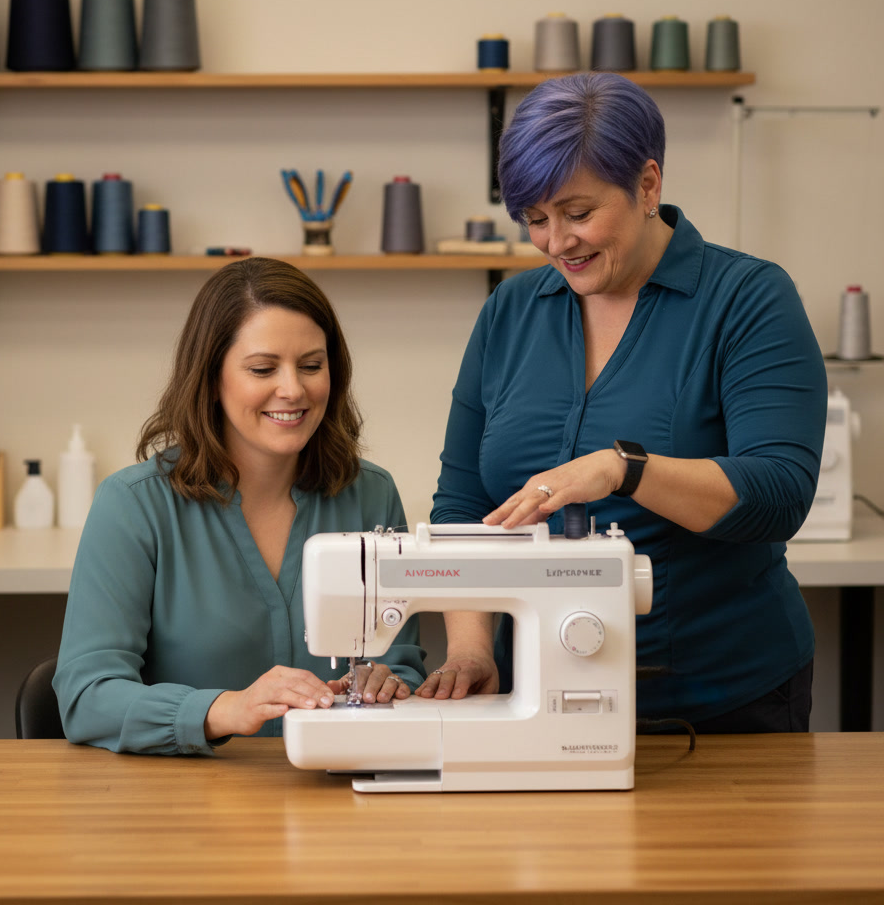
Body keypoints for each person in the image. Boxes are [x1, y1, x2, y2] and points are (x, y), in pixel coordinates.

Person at [418, 72, 826, 733]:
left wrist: (623, 468)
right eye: (535, 219)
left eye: (578, 213)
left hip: (721, 705)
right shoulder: (510, 313)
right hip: (539, 699)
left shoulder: (747, 300)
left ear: (647, 184)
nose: (555, 242)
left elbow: (779, 494)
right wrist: (468, 648)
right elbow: (464, 505)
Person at [54, 257, 425, 754]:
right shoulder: (133, 507)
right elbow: (86, 696)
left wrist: (388, 682)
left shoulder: (371, 494)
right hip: (183, 808)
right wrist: (225, 709)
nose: (293, 389)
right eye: (262, 368)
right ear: (211, 379)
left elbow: (400, 661)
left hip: (336, 802)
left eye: (312, 366)